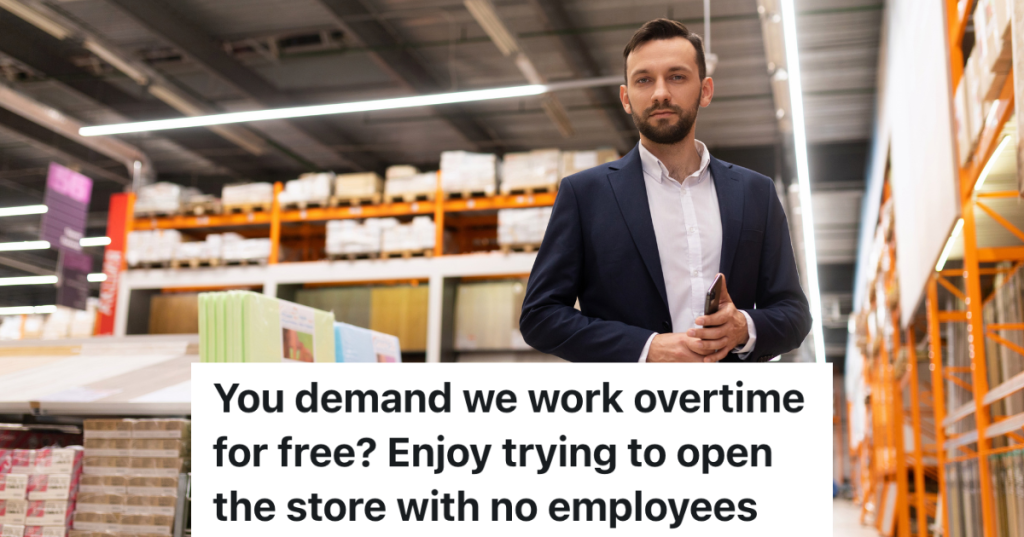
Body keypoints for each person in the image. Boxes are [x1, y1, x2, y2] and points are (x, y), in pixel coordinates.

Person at [520, 19, 812, 363]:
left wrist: (743, 327)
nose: (660, 92)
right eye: (644, 80)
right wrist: (646, 349)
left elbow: (794, 314)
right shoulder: (584, 195)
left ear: (705, 90)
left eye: (677, 76)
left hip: (734, 407)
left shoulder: (756, 192)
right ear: (626, 98)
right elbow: (540, 315)